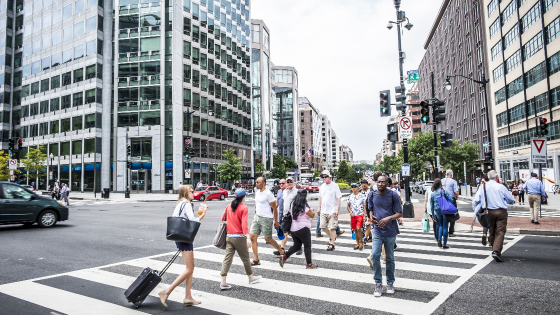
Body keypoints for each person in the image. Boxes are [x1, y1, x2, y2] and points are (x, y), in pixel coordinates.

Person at [158, 185, 208, 308]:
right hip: (184, 238)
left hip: (181, 237)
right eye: (191, 191)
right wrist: (203, 214)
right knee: (189, 269)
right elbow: (192, 221)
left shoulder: (180, 203)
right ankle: (167, 292)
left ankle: (188, 297)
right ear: (185, 193)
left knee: (190, 268)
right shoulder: (186, 204)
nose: (193, 193)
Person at [219, 188, 262, 290]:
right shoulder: (244, 207)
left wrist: (232, 218)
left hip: (229, 236)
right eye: (245, 196)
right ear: (243, 197)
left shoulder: (229, 205)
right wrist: (248, 238)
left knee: (227, 259)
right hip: (239, 237)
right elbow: (244, 224)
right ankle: (251, 277)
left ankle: (223, 282)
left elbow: (223, 218)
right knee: (246, 258)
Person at [367, 175, 403, 297]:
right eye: (378, 182)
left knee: (389, 258)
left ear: (387, 183)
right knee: (375, 255)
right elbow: (370, 209)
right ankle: (378, 283)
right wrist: (371, 217)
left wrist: (388, 218)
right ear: (376, 183)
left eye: (383, 182)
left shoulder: (393, 195)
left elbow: (400, 213)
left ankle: (390, 283)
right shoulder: (372, 195)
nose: (380, 184)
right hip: (377, 231)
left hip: (390, 231)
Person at [472, 170, 516, 262]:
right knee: (500, 231)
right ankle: (496, 251)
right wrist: (511, 202)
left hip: (488, 211)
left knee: (491, 230)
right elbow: (510, 199)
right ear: (496, 177)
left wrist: (477, 209)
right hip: (501, 211)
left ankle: (493, 246)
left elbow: (476, 200)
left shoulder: (482, 187)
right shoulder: (501, 187)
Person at [279, 189, 317, 269]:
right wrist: (311, 210)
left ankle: (285, 257)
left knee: (296, 246)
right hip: (303, 229)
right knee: (307, 246)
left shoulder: (293, 203)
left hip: (293, 229)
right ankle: (309, 264)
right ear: (305, 196)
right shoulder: (304, 205)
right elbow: (312, 215)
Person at [250, 177, 284, 265]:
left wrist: (276, 222)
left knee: (268, 239)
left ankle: (281, 251)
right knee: (253, 237)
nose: (256, 184)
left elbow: (274, 208)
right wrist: (254, 219)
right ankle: (256, 259)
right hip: (257, 217)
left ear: (263, 183)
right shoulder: (257, 192)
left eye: (258, 182)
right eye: (256, 182)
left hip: (266, 218)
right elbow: (257, 206)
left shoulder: (268, 194)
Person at [275, 177, 302, 255]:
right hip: (286, 215)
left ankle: (299, 247)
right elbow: (284, 203)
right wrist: (283, 213)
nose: (289, 183)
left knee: (294, 232)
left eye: (291, 181)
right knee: (285, 232)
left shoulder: (296, 192)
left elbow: (299, 203)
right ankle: (282, 249)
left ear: (293, 182)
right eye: (288, 181)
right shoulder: (284, 192)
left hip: (294, 215)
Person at [317, 170, 342, 251]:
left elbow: (338, 198)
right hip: (323, 210)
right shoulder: (322, 186)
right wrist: (319, 208)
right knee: (322, 226)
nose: (324, 178)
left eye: (325, 177)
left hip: (333, 209)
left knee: (333, 228)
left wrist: (337, 209)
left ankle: (331, 244)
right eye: (323, 177)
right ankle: (332, 238)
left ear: (329, 177)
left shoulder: (335, 186)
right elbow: (321, 198)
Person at [430, 179, 455, 249]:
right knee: (445, 226)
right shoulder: (443, 191)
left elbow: (431, 206)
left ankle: (439, 239)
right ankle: (444, 244)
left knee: (440, 225)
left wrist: (433, 215)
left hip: (437, 210)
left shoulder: (433, 194)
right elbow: (451, 200)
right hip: (445, 210)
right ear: (440, 185)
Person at [347, 182, 366, 250]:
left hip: (360, 214)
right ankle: (357, 243)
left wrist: (365, 215)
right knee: (355, 229)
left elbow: (364, 206)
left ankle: (361, 242)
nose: (353, 188)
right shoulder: (350, 196)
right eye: (352, 187)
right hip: (353, 215)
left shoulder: (361, 196)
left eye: (355, 187)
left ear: (358, 188)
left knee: (358, 228)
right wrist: (350, 212)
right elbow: (348, 206)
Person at [442, 170, 459, 237]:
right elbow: (456, 192)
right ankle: (451, 231)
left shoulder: (442, 180)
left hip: (443, 200)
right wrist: (457, 197)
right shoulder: (453, 181)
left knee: (444, 215)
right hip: (451, 200)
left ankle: (444, 230)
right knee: (453, 215)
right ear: (451, 175)